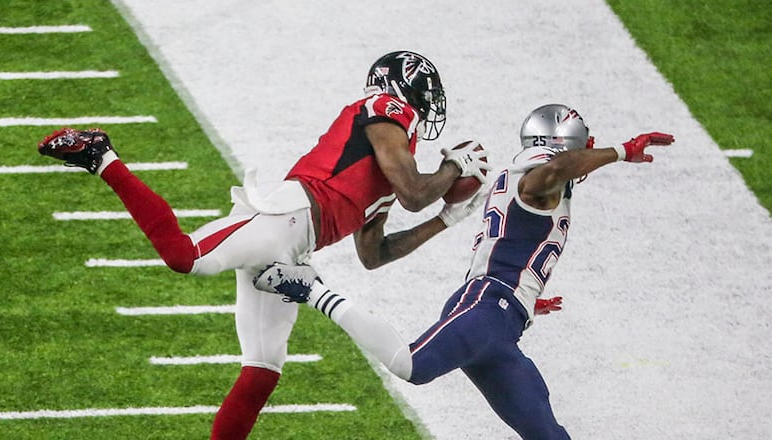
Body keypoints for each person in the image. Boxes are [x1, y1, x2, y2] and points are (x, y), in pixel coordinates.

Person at [36, 51, 491, 439]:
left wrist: (446, 218)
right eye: (423, 98)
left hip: (296, 247)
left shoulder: (391, 173)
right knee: (184, 256)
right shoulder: (386, 107)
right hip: (282, 217)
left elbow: (375, 255)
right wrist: (453, 168)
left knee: (262, 369)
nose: (426, 110)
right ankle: (102, 156)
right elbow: (416, 192)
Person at [254, 104, 675, 439]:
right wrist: (621, 152)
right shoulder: (541, 179)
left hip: (503, 318)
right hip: (485, 308)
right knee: (411, 366)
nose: (586, 158)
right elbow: (553, 172)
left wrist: (524, 297)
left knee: (548, 435)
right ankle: (313, 291)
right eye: (582, 150)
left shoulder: (530, 180)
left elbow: (510, 244)